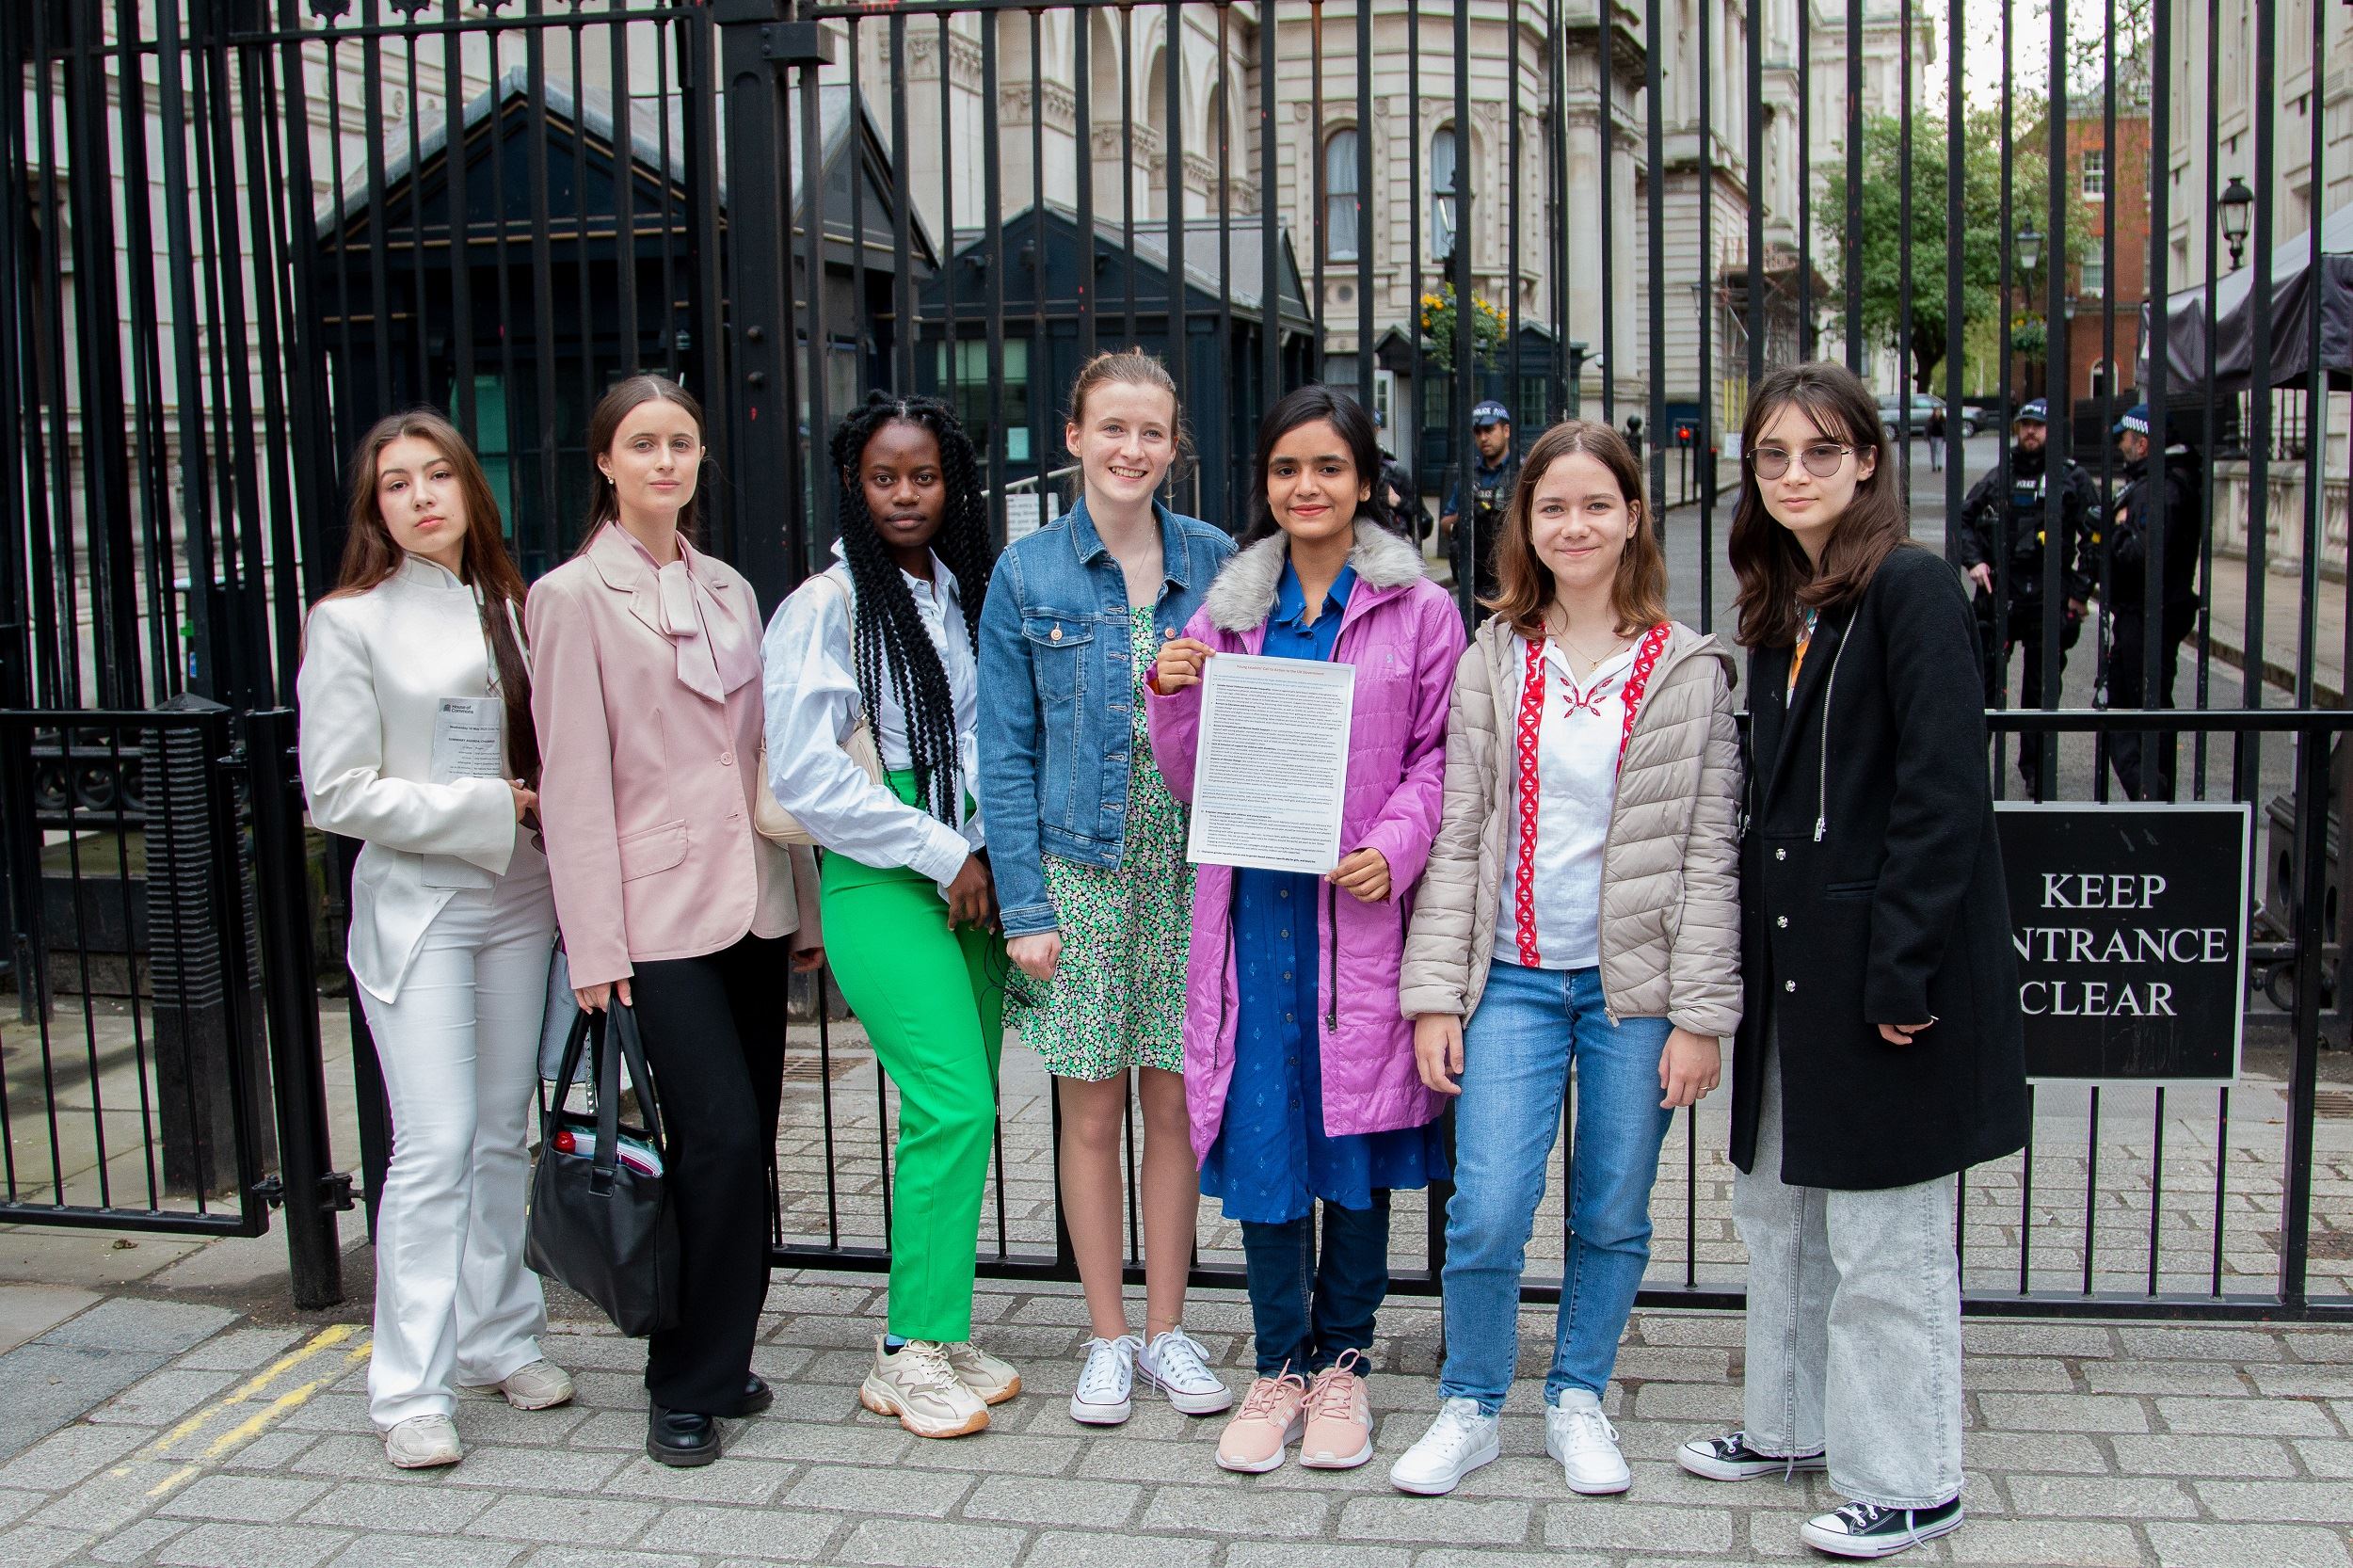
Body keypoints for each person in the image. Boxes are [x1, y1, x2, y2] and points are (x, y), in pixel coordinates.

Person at [1682, 361, 2028, 1560]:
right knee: (1780, 1210)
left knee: (1884, 1240)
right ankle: (1788, 1426)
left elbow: (1943, 796)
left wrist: (1903, 970)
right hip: (1794, 972)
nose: (1792, 475)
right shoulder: (1787, 605)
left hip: (1885, 974)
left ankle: (1913, 1475)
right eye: (1772, 455)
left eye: (1819, 452)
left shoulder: (1911, 589)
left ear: (1867, 460)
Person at [1387, 419, 1741, 1499]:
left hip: (1634, 991)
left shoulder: (1686, 667)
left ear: (1634, 516)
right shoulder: (1494, 656)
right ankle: (1472, 1399)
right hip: (1513, 980)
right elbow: (1457, 832)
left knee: (1612, 1206)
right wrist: (1434, 993)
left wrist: (1700, 1015)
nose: (1574, 525)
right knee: (1488, 1202)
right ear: (1524, 524)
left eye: (1596, 504)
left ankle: (1578, 1392)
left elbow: (1709, 848)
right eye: (1552, 507)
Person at [1150, 385, 1464, 1475]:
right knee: (1273, 1144)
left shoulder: (1420, 612)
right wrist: (1174, 693)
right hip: (1257, 926)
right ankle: (1277, 1364)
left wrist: (1398, 841)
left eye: (1328, 467)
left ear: (1366, 479)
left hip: (1356, 917)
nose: (1307, 487)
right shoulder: (1226, 612)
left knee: (1354, 1149)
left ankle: (1346, 1366)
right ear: (1266, 486)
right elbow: (1191, 778)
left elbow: (1438, 755)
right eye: (1286, 470)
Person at [530, 375, 824, 1468]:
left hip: (747, 900)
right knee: (717, 1138)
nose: (665, 461)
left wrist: (795, 905)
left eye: (682, 444)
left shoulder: (733, 590)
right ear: (605, 462)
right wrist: (593, 947)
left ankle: (721, 1351)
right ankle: (681, 1385)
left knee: (741, 1153)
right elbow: (570, 782)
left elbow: (758, 758)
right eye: (643, 444)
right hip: (652, 918)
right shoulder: (568, 598)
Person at [299, 410, 574, 1471]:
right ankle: (407, 1386)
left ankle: (498, 1335)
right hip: (423, 902)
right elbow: (336, 791)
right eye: (396, 483)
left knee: (504, 1130)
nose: (420, 497)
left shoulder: (512, 601)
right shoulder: (350, 620)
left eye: (437, 476)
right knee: (437, 1141)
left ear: (470, 488)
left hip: (521, 895)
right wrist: (484, 808)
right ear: (374, 507)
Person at [975, 351, 1236, 1427]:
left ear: (1175, 448)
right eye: (1112, 428)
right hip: (1077, 875)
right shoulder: (1026, 573)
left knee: (1172, 1105)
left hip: (1187, 872)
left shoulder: (1218, 563)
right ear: (1073, 435)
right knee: (1089, 1110)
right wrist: (1025, 909)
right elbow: (1004, 751)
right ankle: (1104, 1336)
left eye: (1153, 432)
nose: (1133, 449)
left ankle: (1169, 1331)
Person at [763, 391, 1019, 1441]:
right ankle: (908, 1354)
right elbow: (805, 775)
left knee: (952, 1114)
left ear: (951, 481)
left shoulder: (963, 594)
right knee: (955, 1100)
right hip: (887, 877)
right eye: (883, 475)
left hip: (976, 879)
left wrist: (990, 852)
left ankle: (934, 1328)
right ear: (853, 484)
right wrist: (941, 847)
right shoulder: (825, 606)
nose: (905, 494)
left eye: (923, 474)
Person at [1953, 398, 2098, 791]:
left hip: (2049, 595)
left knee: (2041, 688)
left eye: (2039, 425)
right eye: (2025, 425)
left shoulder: (2073, 479)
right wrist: (1975, 561)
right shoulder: (2002, 475)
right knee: (1984, 685)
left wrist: (2080, 592)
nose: (2030, 432)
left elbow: (2096, 536)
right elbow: (1964, 517)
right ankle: (1973, 770)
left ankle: (2035, 769)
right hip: (2000, 592)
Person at [2100, 404, 2204, 801]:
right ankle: (2150, 794)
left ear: (2143, 443)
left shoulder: (2160, 489)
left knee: (2140, 706)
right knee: (2130, 704)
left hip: (2149, 613)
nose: (2120, 445)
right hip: (2144, 611)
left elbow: (2143, 555)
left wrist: (2112, 530)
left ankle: (2153, 796)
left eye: (2124, 438)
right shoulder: (2158, 483)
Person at [1440, 399, 1518, 619]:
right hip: (1475, 577)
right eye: (1478, 432)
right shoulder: (1467, 475)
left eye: (1489, 430)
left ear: (1506, 430)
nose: (1483, 438)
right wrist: (1467, 515)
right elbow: (1446, 525)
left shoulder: (1521, 471)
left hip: (1512, 574)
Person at [1924, 403, 1945, 472]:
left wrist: (1945, 437)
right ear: (1934, 412)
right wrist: (1926, 436)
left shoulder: (1943, 420)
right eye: (1937, 411)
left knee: (1939, 451)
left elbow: (1945, 429)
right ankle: (1934, 466)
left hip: (1940, 437)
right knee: (1933, 452)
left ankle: (1939, 465)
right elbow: (1927, 429)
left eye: (1939, 411)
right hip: (1932, 437)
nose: (1938, 412)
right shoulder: (1930, 420)